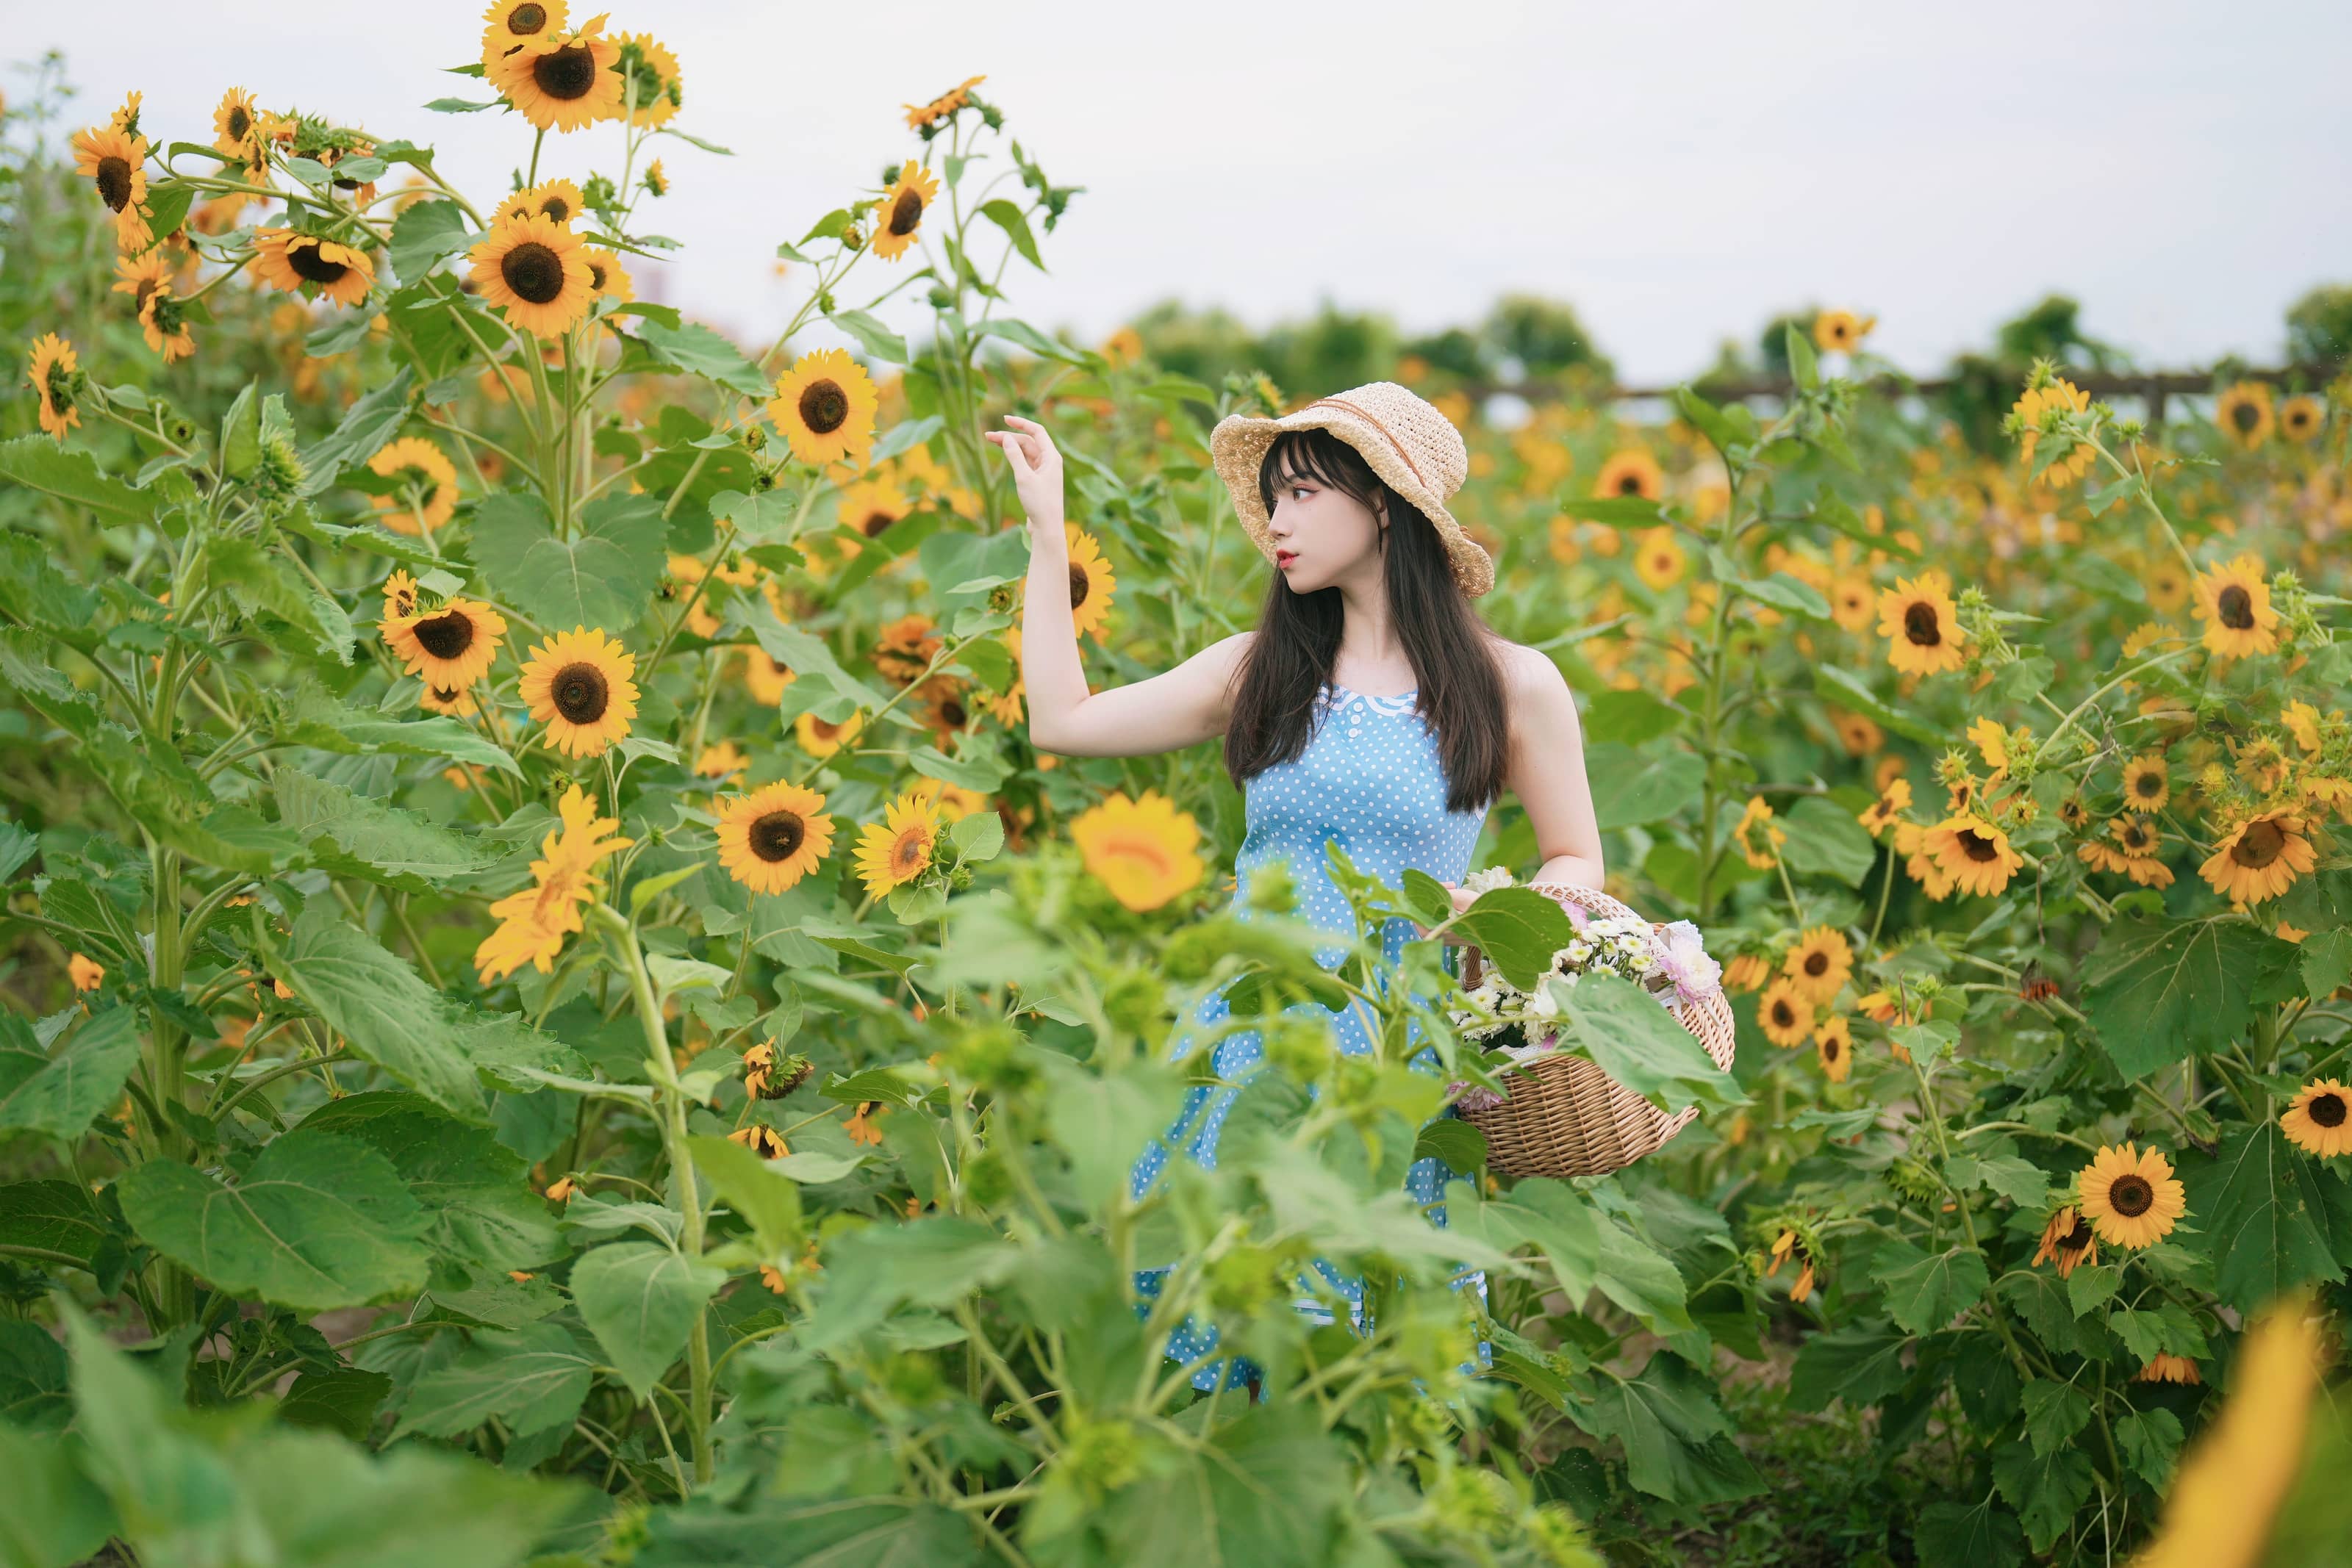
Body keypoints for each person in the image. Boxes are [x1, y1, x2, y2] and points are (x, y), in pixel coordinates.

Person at [984, 381, 1604, 1400]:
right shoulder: (1261, 671)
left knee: (1369, 1370)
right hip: (1244, 1042)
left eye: (1306, 492)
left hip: (1396, 1051)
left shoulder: (1510, 683)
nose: (1277, 520)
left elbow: (1575, 854)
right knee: (1219, 1336)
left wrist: (1494, 906)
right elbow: (1062, 718)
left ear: (1388, 506)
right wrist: (1048, 534)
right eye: (1274, 496)